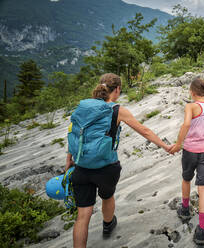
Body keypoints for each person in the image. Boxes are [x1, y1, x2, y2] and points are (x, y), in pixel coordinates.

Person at [65, 73, 173, 248]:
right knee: (107, 196)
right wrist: (165, 146)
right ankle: (108, 225)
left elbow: (74, 132)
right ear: (117, 90)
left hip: (81, 166)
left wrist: (69, 159)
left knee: (82, 216)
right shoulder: (116, 109)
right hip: (107, 167)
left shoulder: (83, 107)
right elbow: (144, 131)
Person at [169, 78, 204, 245]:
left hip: (190, 151)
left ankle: (185, 209)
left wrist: (178, 144)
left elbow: (186, 124)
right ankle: (201, 230)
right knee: (203, 189)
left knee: (186, 179)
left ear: (193, 92)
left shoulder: (190, 106)